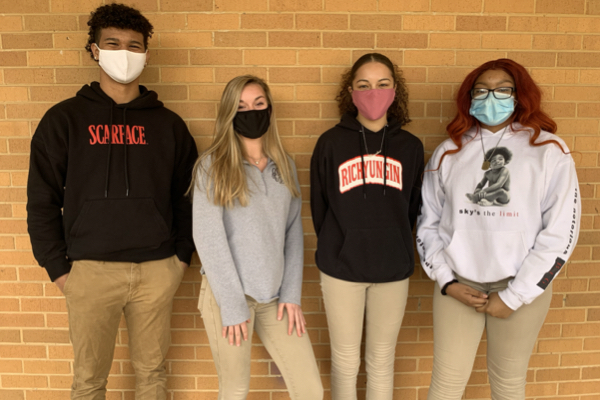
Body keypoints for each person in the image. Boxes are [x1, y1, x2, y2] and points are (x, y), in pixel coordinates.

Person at [26, 4, 197, 399]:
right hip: (89, 272)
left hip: (156, 270)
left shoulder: (168, 125)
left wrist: (181, 258)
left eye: (134, 46)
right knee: (89, 380)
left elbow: (188, 196)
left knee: (153, 375)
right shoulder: (63, 121)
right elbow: (42, 200)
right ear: (94, 50)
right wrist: (59, 268)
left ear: (147, 54)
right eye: (113, 43)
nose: (125, 53)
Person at [416, 58, 580, 400]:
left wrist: (515, 294)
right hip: (460, 286)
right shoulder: (449, 152)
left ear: (519, 96)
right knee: (445, 386)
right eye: (481, 90)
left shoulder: (548, 151)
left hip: (520, 287)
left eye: (503, 89)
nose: (491, 97)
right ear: (469, 97)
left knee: (507, 387)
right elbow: (428, 222)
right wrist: (446, 281)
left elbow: (560, 232)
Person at [191, 75, 323, 400]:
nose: (251, 112)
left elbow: (293, 232)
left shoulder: (285, 166)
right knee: (235, 390)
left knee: (310, 390)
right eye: (241, 107)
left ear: (269, 109)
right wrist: (233, 305)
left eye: (258, 104)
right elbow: (208, 237)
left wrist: (291, 293)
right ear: (228, 114)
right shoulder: (212, 166)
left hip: (275, 298)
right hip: (228, 297)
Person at [310, 53, 424, 400]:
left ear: (395, 90)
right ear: (351, 91)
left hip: (392, 269)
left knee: (381, 360)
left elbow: (415, 208)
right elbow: (320, 206)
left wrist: (399, 246)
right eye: (364, 85)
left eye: (382, 84)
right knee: (345, 361)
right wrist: (341, 243)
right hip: (341, 267)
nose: (373, 92)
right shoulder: (330, 142)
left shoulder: (411, 146)